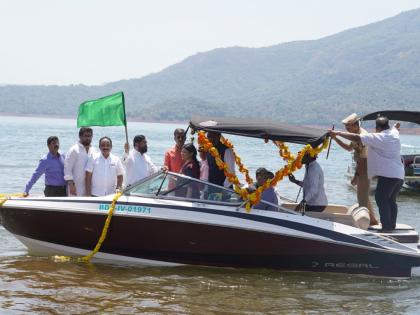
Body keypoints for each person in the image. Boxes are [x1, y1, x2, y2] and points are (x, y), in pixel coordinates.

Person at [329, 116, 404, 232]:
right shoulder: (393, 133)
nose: (347, 128)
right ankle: (389, 224)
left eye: (348, 126)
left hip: (388, 175)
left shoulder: (377, 137)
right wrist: (396, 126)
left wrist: (338, 133)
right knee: (390, 201)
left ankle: (386, 227)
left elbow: (357, 138)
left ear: (377, 128)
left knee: (381, 198)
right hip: (399, 174)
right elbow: (395, 128)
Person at [331, 113, 378, 225]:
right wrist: (335, 138)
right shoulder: (355, 134)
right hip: (362, 166)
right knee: (364, 196)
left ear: (356, 125)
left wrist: (356, 175)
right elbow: (348, 148)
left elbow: (363, 160)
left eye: (349, 127)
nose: (347, 129)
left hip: (364, 166)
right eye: (346, 128)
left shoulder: (361, 136)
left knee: (361, 199)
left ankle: (365, 224)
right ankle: (373, 221)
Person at [64, 127, 95, 196]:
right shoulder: (74, 150)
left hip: (89, 188)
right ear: (80, 136)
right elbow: (67, 168)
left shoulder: (93, 150)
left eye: (90, 136)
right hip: (75, 188)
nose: (88, 138)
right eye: (86, 136)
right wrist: (71, 184)